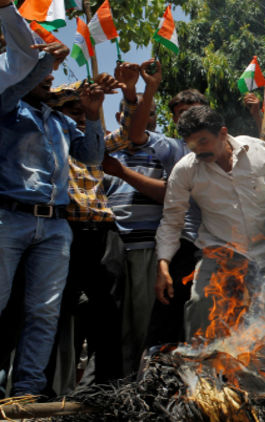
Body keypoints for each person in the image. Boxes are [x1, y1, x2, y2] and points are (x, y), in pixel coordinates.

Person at [0, 1, 105, 395]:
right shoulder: (6, 109)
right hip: (10, 217)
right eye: (39, 75)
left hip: (56, 226)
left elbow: (91, 157)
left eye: (49, 75)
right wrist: (44, 63)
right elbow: (22, 77)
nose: (46, 79)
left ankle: (28, 390)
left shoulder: (60, 120)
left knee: (44, 311)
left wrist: (93, 114)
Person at [41, 66, 144, 394]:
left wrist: (128, 93)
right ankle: (44, 392)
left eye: (87, 112)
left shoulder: (96, 144)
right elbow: (48, 95)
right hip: (62, 233)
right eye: (75, 111)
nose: (83, 117)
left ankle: (106, 393)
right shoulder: (48, 140)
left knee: (109, 314)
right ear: (60, 115)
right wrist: (89, 88)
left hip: (103, 232)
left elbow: (128, 134)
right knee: (53, 313)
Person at [155, 105, 265, 339]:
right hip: (221, 251)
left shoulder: (259, 152)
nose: (198, 150)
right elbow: (172, 221)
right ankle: (201, 369)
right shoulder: (185, 171)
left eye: (203, 142)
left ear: (223, 133)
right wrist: (163, 264)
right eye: (192, 145)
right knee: (202, 306)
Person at [101, 60, 192, 375]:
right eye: (135, 110)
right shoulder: (106, 150)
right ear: (119, 116)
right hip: (112, 248)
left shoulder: (167, 148)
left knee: (145, 325)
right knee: (111, 324)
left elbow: (171, 194)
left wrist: (123, 173)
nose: (144, 116)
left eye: (150, 111)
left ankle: (139, 386)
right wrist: (132, 89)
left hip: (150, 248)